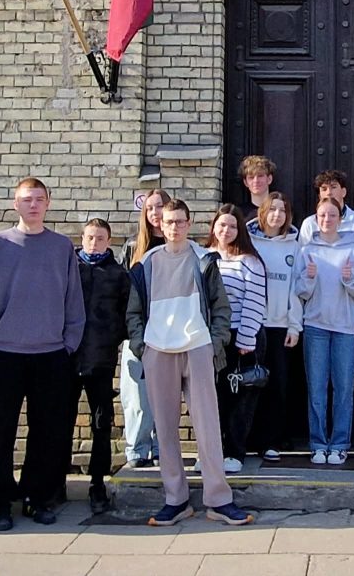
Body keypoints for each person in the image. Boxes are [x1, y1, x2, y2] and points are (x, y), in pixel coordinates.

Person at [126, 199, 254, 526]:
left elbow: (221, 307)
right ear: (160, 224)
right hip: (158, 349)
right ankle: (176, 499)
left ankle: (219, 499)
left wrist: (214, 344)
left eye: (180, 221)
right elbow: (133, 312)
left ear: (189, 223)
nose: (175, 227)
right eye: (169, 222)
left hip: (197, 347)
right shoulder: (146, 263)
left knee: (208, 426)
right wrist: (143, 347)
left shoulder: (203, 259)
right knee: (166, 428)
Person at [0, 177, 85, 531]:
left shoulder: (61, 246)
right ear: (15, 204)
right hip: (4, 353)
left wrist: (69, 342)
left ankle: (37, 498)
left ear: (48, 203)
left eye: (39, 199)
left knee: (47, 432)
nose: (33, 205)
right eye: (26, 199)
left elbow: (73, 299)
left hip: (51, 354)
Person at [298, 170, 354, 450]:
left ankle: (352, 438)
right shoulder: (308, 231)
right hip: (317, 319)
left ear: (343, 192)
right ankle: (317, 442)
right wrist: (308, 283)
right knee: (317, 387)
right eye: (323, 189)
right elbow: (301, 279)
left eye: (333, 187)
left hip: (350, 315)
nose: (329, 193)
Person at [67, 218, 130, 515]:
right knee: (60, 422)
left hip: (101, 360)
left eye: (100, 238)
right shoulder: (70, 269)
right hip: (67, 358)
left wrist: (112, 337)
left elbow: (125, 315)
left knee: (101, 424)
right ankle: (53, 483)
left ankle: (97, 484)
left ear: (109, 241)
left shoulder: (118, 275)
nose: (94, 243)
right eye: (90, 238)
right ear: (82, 238)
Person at [205, 205, 267, 473]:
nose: (226, 231)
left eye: (232, 226)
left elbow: (255, 301)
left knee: (239, 398)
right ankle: (211, 452)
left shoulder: (250, 261)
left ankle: (234, 452)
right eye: (222, 225)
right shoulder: (204, 257)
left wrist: (245, 339)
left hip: (241, 335)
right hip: (211, 337)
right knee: (212, 397)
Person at [246, 192, 302, 460]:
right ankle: (247, 438)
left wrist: (294, 326)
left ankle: (271, 441)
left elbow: (296, 289)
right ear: (263, 212)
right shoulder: (249, 242)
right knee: (251, 382)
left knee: (278, 385)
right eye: (272, 209)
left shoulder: (294, 245)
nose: (277, 215)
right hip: (253, 324)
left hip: (280, 326)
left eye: (282, 210)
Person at [117, 188, 169, 468]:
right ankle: (137, 450)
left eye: (159, 206)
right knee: (136, 395)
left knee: (165, 393)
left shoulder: (179, 245)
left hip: (169, 331)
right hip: (137, 330)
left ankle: (163, 448)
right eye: (149, 208)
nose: (155, 213)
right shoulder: (132, 247)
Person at [236, 155, 276, 222]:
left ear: (269, 179)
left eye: (260, 176)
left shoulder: (280, 210)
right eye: (251, 177)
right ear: (245, 182)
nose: (256, 181)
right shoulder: (239, 213)